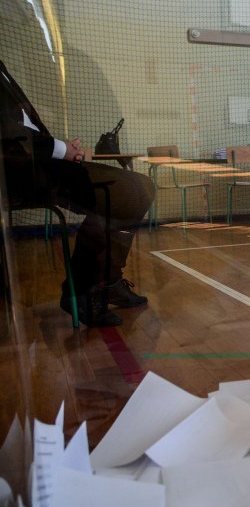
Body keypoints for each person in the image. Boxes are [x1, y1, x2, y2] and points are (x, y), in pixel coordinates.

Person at [0, 60, 155, 327]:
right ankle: (84, 288)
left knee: (141, 187)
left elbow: (21, 129)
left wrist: (59, 149)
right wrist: (59, 149)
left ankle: (108, 280)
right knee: (128, 191)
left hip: (39, 163)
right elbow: (8, 134)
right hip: (19, 172)